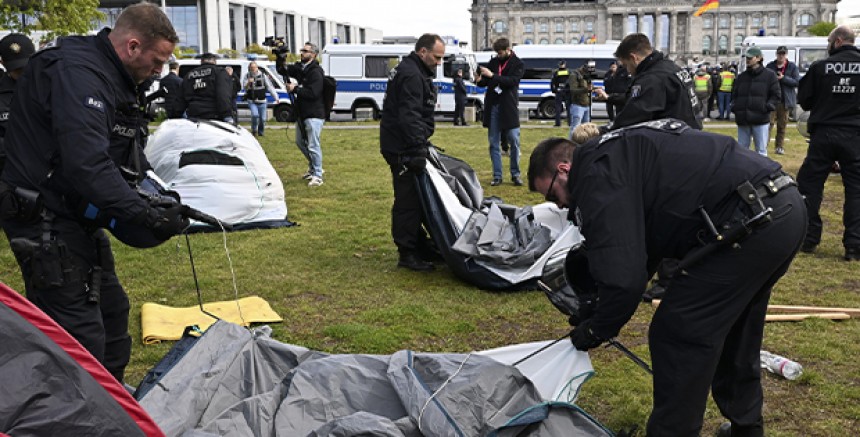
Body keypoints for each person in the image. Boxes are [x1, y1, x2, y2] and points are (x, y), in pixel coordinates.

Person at [527, 119, 806, 437]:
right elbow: (639, 251)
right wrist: (599, 305)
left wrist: (597, 328)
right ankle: (746, 429)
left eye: (552, 194)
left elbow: (625, 279)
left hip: (750, 220)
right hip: (781, 207)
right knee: (736, 329)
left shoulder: (594, 170)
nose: (560, 205)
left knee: (677, 333)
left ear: (564, 169)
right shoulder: (619, 152)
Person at [0, 2, 188, 383]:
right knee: (77, 334)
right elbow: (87, 164)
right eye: (158, 60)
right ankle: (73, 415)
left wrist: (158, 196)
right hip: (42, 219)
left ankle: (111, 406)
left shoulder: (115, 76)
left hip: (76, 211)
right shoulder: (78, 73)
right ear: (133, 46)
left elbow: (124, 154)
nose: (160, 71)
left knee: (113, 315)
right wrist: (143, 212)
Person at [379, 34, 445, 272]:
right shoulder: (411, 75)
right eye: (436, 57)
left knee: (416, 197)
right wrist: (416, 148)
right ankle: (407, 252)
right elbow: (410, 116)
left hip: (401, 143)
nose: (439, 62)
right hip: (402, 147)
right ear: (422, 52)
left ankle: (418, 243)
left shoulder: (412, 70)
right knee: (408, 200)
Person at [796, 25, 860, 261]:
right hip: (855, 135)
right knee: (856, 191)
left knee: (809, 186)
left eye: (829, 41)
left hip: (824, 133)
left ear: (838, 41)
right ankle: (854, 245)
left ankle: (809, 238)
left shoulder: (820, 67)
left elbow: (805, 100)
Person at [603, 33, 701, 133]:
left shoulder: (652, 78)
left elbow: (632, 116)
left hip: (675, 139)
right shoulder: (672, 67)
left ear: (634, 58)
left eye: (626, 65)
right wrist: (610, 98)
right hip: (691, 132)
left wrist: (602, 131)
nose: (628, 70)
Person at [477, 37, 524, 187]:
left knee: (514, 141)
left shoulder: (518, 64)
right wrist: (479, 79)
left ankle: (515, 174)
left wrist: (493, 76)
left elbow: (511, 82)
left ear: (508, 50)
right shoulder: (494, 62)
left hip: (508, 107)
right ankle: (497, 176)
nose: (498, 55)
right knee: (493, 142)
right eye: (496, 52)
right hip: (493, 106)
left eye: (500, 52)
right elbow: (486, 82)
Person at [286, 42, 326, 187]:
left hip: (314, 114)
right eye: (301, 50)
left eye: (305, 50)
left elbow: (314, 93)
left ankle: (318, 174)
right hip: (302, 113)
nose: (302, 52)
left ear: (313, 55)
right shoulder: (302, 69)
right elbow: (283, 70)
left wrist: (295, 89)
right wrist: (280, 58)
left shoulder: (316, 71)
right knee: (300, 142)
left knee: (313, 145)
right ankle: (313, 167)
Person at [731, 47, 780, 157]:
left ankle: (761, 173)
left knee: (761, 151)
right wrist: (735, 107)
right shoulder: (741, 77)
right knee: (742, 151)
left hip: (760, 118)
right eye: (746, 58)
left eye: (750, 58)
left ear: (758, 58)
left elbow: (776, 95)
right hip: (743, 118)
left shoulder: (770, 75)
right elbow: (734, 94)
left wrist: (767, 107)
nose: (747, 60)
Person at [0, 33, 35, 173]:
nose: (22, 73)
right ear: (2, 63)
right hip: (9, 172)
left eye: (25, 67)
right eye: (16, 69)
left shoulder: (50, 85)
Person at [179, 52, 234, 123]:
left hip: (194, 116)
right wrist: (227, 115)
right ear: (215, 61)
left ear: (201, 61)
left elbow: (181, 98)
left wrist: (175, 115)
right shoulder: (219, 72)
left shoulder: (189, 75)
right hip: (215, 116)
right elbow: (223, 95)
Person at [765, 45, 800, 155]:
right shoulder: (770, 66)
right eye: (779, 53)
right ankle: (764, 146)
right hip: (772, 100)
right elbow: (764, 81)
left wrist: (783, 78)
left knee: (782, 125)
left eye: (783, 54)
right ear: (776, 54)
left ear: (786, 55)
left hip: (785, 101)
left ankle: (779, 147)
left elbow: (796, 82)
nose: (781, 56)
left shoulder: (792, 66)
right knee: (768, 124)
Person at [243, 61, 280, 137]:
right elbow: (245, 88)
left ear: (257, 68)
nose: (253, 69)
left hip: (262, 101)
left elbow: (270, 87)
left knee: (263, 119)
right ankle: (254, 130)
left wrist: (276, 97)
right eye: (251, 68)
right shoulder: (247, 76)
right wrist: (248, 83)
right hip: (252, 100)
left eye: (254, 67)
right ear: (249, 68)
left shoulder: (263, 76)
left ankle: (261, 132)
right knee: (255, 115)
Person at [567, 60, 594, 138]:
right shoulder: (574, 75)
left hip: (587, 104)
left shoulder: (586, 76)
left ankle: (585, 144)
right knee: (575, 127)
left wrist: (594, 88)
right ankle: (571, 143)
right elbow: (573, 90)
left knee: (586, 128)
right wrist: (586, 89)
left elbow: (589, 87)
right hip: (578, 105)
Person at [550, 60, 571, 127]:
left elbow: (552, 83)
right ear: (565, 64)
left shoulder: (556, 72)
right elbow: (571, 82)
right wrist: (569, 90)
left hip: (559, 91)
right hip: (567, 92)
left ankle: (558, 123)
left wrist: (554, 90)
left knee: (558, 108)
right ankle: (570, 123)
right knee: (569, 108)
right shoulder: (568, 72)